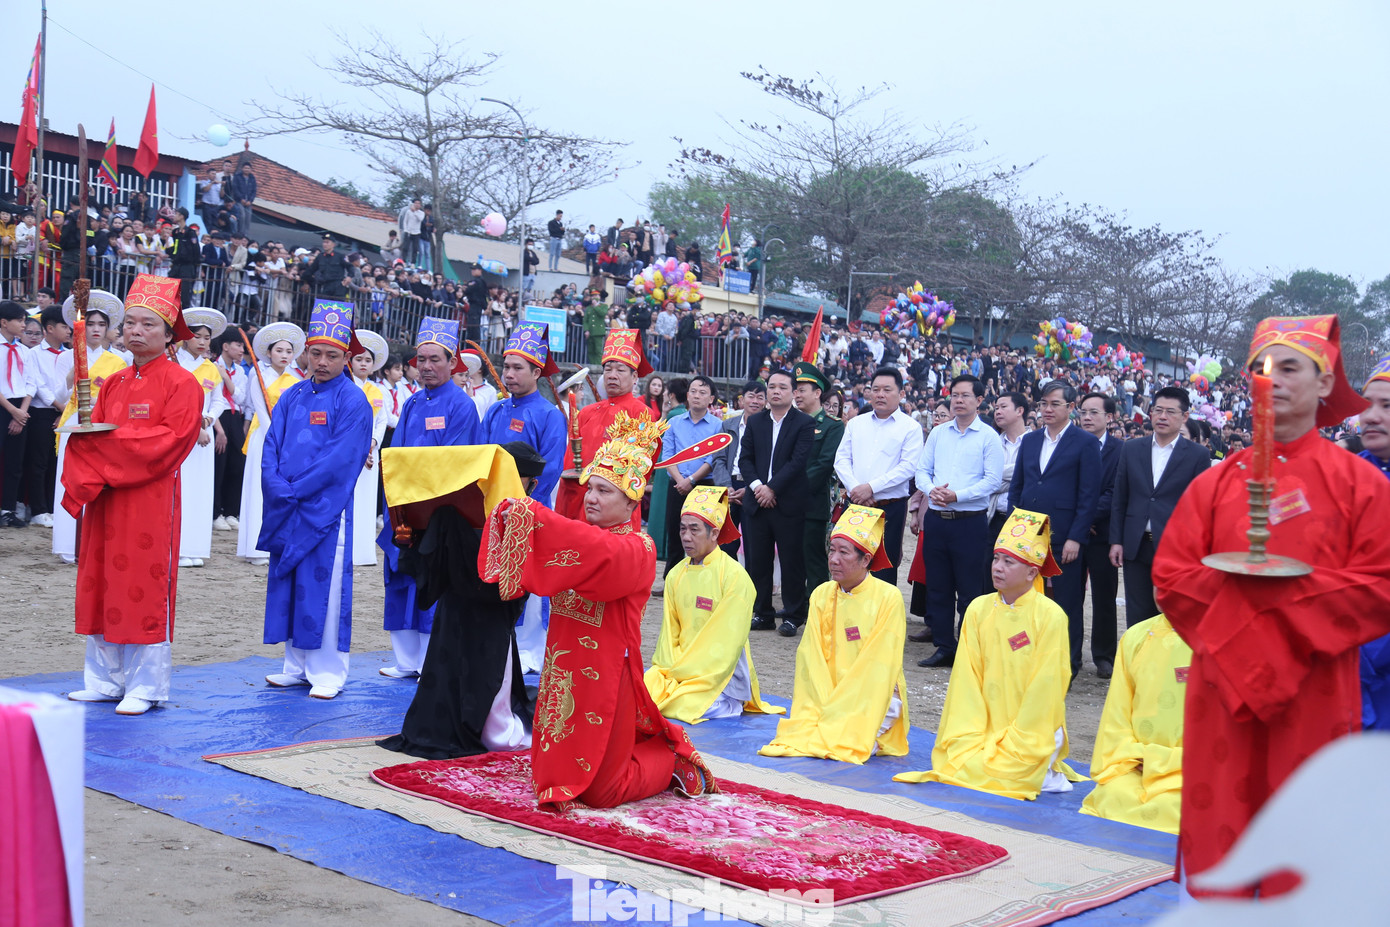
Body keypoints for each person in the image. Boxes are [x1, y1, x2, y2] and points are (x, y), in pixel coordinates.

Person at [1153, 315, 1390, 895]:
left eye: (1290, 367)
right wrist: (1250, 625)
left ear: (1326, 381)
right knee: (1222, 826)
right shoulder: (1215, 483)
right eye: (1261, 369)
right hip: (1222, 685)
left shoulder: (1360, 484)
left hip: (1316, 683)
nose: (1274, 380)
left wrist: (1270, 612)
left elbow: (1381, 583)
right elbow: (1172, 576)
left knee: (1305, 829)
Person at [479, 412, 719, 807]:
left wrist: (532, 513)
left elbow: (594, 551)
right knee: (553, 772)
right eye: (590, 487)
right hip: (562, 669)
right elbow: (564, 545)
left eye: (604, 491)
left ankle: (668, 761)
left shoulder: (639, 548)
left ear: (631, 502)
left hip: (607, 676)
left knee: (605, 792)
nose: (591, 497)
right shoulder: (578, 537)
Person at [60, 275, 203, 715]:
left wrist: (104, 447)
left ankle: (146, 686)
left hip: (149, 501)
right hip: (107, 499)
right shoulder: (115, 382)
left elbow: (171, 441)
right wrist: (90, 446)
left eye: (148, 324)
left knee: (142, 585)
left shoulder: (182, 383)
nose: (136, 331)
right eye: (131, 323)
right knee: (102, 582)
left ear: (169, 334)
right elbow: (92, 439)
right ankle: (104, 680)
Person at [895, 508, 1085, 798]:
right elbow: (966, 681)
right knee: (960, 762)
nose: (997, 567)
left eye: (1009, 561)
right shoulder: (978, 609)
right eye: (996, 558)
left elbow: (1047, 689)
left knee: (1009, 769)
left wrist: (1015, 740)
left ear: (1032, 572)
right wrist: (974, 735)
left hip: (1031, 731)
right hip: (981, 727)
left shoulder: (1050, 615)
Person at [377, 443, 541, 758]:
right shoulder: (486, 512)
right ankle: (492, 729)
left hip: (474, 612)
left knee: (472, 669)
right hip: (472, 611)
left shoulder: (464, 508)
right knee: (474, 672)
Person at [259, 300, 374, 700]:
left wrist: (295, 490)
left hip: (326, 510)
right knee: (290, 582)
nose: (322, 362)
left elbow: (341, 459)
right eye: (316, 353)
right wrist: (276, 486)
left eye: (332, 355)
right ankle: (295, 665)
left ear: (347, 358)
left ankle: (328, 671)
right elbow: (271, 445)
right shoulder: (292, 395)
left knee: (323, 585)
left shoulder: (353, 400)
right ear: (306, 352)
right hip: (287, 505)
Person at [759, 505, 910, 763]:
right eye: (832, 550)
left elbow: (879, 665)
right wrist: (827, 705)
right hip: (824, 696)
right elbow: (811, 659)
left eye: (844, 552)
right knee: (810, 732)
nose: (834, 559)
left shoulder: (889, 598)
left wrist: (840, 707)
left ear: (866, 559)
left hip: (870, 696)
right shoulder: (821, 594)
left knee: (846, 739)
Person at [377, 317, 481, 679]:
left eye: (435, 359)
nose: (426, 366)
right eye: (421, 359)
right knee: (402, 578)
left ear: (453, 363)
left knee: (432, 581)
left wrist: (420, 499)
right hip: (405, 508)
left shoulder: (461, 406)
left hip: (439, 512)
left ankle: (431, 661)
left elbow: (454, 463)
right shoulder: (412, 403)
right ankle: (406, 660)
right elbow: (396, 455)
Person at [645, 486, 782, 724]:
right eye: (682, 529)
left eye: (694, 529)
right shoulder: (675, 574)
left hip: (719, 673)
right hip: (679, 667)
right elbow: (669, 635)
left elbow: (726, 645)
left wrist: (686, 674)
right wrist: (670, 672)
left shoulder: (734, 577)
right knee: (644, 687)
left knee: (686, 702)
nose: (686, 536)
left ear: (714, 533)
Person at [480, 321, 569, 674]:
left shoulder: (549, 415)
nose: (509, 374)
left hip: (530, 512)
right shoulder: (496, 410)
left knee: (529, 578)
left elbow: (550, 469)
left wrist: (521, 504)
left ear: (536, 372)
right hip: (492, 511)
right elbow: (480, 457)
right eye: (507, 366)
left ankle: (531, 649)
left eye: (518, 368)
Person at [1007, 381, 1101, 676]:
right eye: (1043, 403)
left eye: (1054, 404)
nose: (1047, 409)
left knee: (1066, 603)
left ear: (1071, 407)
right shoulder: (1030, 440)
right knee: (1026, 597)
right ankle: (1027, 657)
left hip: (1064, 536)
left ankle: (1067, 665)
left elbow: (1089, 495)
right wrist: (1015, 526)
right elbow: (1018, 486)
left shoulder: (1085, 443)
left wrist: (1076, 537)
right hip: (1027, 534)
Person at [915, 374, 1004, 667]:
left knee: (969, 589)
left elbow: (992, 480)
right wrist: (932, 490)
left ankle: (968, 648)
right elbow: (922, 471)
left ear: (979, 400)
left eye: (965, 395)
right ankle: (944, 646)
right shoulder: (939, 433)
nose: (958, 400)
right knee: (938, 586)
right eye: (954, 395)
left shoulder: (988, 437)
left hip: (970, 522)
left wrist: (957, 496)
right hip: (937, 519)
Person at [1079, 613, 1191, 834]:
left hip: (1189, 771)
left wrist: (1161, 761)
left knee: (1173, 806)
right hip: (1137, 764)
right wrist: (1132, 754)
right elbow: (1116, 716)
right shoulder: (1137, 636)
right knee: (1112, 794)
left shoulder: (1220, 641)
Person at [1108, 386, 1209, 628]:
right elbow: (1120, 498)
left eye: (1170, 412)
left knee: (1171, 615)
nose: (1163, 416)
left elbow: (1200, 507)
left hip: (1175, 548)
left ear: (1185, 416)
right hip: (1136, 544)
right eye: (1158, 410)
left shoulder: (1197, 455)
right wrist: (1116, 540)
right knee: (1137, 615)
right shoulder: (1132, 448)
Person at [740, 369, 815, 635]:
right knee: (758, 561)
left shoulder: (804, 423)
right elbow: (745, 459)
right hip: (757, 502)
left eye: (782, 387)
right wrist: (759, 488)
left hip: (788, 504)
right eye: (771, 386)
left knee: (791, 561)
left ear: (793, 393)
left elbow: (798, 462)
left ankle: (793, 615)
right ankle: (762, 613)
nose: (776, 391)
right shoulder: (755, 421)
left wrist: (772, 488)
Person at [833, 366, 924, 585]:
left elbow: (908, 467)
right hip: (854, 505)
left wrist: (870, 488)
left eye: (887, 390)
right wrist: (857, 489)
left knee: (883, 570)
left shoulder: (911, 428)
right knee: (848, 564)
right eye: (875, 389)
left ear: (901, 394)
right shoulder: (856, 423)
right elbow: (841, 460)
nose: (880, 394)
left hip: (888, 509)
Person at [554, 329, 654, 524]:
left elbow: (639, 471)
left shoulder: (642, 415)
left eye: (620, 370)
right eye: (608, 369)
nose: (612, 375)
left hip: (615, 510)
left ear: (634, 377)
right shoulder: (587, 412)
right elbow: (569, 464)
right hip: (578, 502)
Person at [237, 322, 305, 565]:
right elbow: (260, 409)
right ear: (268, 352)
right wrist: (275, 437)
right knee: (259, 488)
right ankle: (255, 549)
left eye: (289, 351)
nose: (284, 355)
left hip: (288, 439)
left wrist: (289, 438)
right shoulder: (258, 375)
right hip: (264, 437)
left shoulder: (296, 379)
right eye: (279, 350)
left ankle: (277, 543)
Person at [175, 308, 229, 568]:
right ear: (185, 337)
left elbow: (218, 400)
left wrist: (207, 419)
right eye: (197, 336)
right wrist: (195, 424)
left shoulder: (211, 368)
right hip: (180, 435)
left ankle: (194, 546)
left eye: (207, 338)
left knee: (200, 490)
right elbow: (173, 401)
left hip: (204, 437)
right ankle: (177, 547)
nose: (202, 342)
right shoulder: (174, 363)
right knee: (181, 489)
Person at [792, 360, 845, 617]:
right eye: (796, 389)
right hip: (785, 502)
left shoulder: (832, 425)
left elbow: (824, 464)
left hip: (812, 503)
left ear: (817, 393)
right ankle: (795, 606)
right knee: (792, 557)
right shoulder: (790, 422)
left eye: (802, 390)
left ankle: (817, 608)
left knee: (813, 559)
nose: (797, 394)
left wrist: (792, 488)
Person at [657, 374, 723, 578]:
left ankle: (703, 579)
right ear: (687, 395)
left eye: (702, 393)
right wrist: (680, 480)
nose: (696, 396)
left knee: (704, 535)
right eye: (693, 391)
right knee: (676, 533)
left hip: (705, 485)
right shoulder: (674, 422)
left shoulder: (717, 425)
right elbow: (668, 455)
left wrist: (692, 480)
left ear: (711, 399)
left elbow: (713, 459)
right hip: (677, 485)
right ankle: (672, 580)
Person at [1077, 391, 1123, 678]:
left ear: (1109, 417)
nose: (1087, 417)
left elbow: (1114, 492)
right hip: (1072, 533)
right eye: (1083, 412)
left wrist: (1086, 517)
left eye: (1094, 412)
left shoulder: (1121, 450)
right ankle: (1069, 652)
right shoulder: (1070, 443)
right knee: (1069, 596)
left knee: (1104, 597)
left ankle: (1104, 655)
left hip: (1102, 532)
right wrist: (1079, 520)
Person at [1358, 357, 1390, 730]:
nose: (1371, 416)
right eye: (1367, 403)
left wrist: (1362, 654)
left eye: (1387, 406)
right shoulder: (1344, 475)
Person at [20, 306, 69, 528]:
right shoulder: (34, 354)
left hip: (65, 413)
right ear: (49, 328)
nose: (69, 331)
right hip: (41, 412)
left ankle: (52, 507)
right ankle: (38, 510)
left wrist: (65, 411)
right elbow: (38, 384)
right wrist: (58, 406)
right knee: (38, 462)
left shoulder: (70, 354)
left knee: (56, 462)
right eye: (64, 326)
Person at [709, 380, 765, 558]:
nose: (755, 401)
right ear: (742, 400)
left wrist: (750, 489)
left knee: (753, 545)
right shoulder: (728, 425)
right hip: (729, 486)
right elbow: (719, 458)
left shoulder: (768, 428)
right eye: (751, 396)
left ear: (765, 402)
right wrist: (726, 486)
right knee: (725, 545)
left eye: (760, 397)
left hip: (755, 489)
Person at [349, 329, 390, 567]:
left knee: (366, 500)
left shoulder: (377, 390)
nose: (363, 363)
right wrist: (360, 447)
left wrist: (373, 443)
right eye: (359, 359)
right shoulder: (345, 386)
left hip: (370, 453)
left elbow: (382, 420)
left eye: (368, 360)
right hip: (350, 453)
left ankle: (363, 552)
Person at [210, 330, 249, 533]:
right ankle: (215, 513)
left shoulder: (240, 371)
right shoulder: (211, 366)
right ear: (225, 346)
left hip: (235, 417)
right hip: (219, 417)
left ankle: (231, 511)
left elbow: (241, 398)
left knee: (237, 464)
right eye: (238, 345)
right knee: (219, 465)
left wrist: (226, 378)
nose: (242, 350)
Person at [0, 300, 35, 526]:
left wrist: (21, 412)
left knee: (15, 462)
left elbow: (31, 382)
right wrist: (12, 410)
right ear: (4, 322)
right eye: (20, 321)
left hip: (21, 407)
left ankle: (8, 509)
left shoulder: (24, 351)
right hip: (4, 405)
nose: (24, 325)